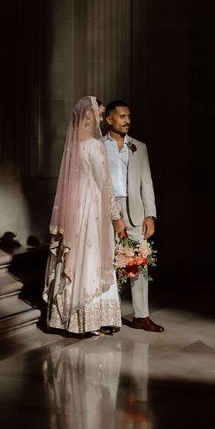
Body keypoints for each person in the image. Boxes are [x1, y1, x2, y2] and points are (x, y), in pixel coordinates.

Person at [43, 96, 122, 336]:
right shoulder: (95, 145)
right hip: (92, 208)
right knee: (93, 255)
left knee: (77, 254)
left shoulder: (73, 145)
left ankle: (66, 316)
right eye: (98, 113)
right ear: (88, 115)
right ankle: (89, 317)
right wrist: (115, 216)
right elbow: (104, 184)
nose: (100, 117)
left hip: (75, 207)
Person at [103, 101, 164, 332]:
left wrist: (150, 214)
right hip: (107, 208)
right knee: (109, 261)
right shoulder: (99, 146)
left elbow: (146, 183)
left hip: (135, 208)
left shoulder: (139, 147)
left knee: (138, 261)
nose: (127, 120)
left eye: (129, 116)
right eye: (121, 116)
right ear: (109, 119)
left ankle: (141, 315)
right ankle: (109, 316)